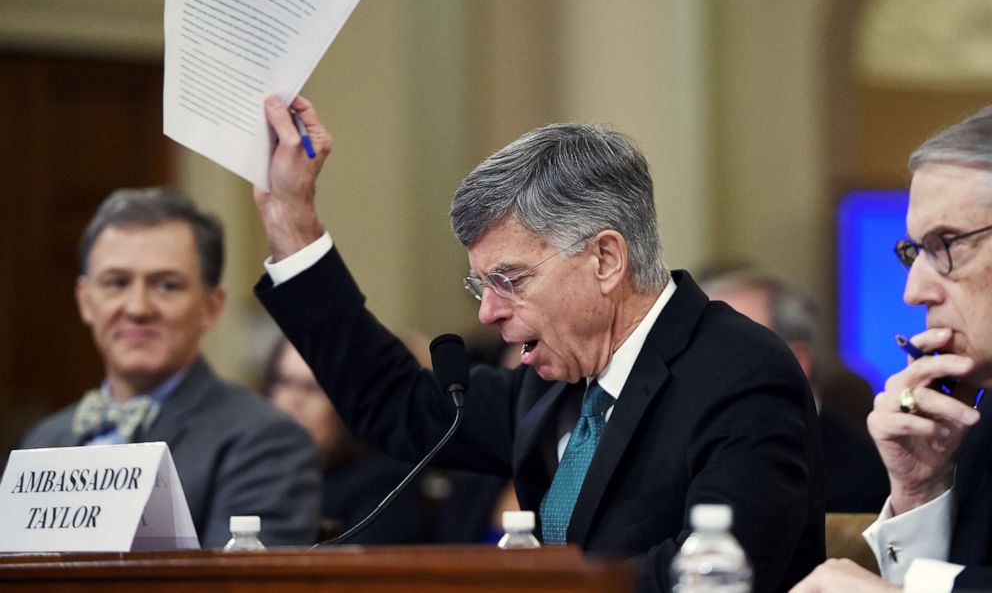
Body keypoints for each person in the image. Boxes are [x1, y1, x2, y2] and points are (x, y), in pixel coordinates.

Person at [253, 96, 824, 592]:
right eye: (482, 285)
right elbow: (393, 401)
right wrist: (292, 222)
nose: (487, 312)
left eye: (510, 280)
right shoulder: (552, 386)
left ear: (605, 259)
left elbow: (714, 575)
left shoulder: (741, 373)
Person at [20, 187, 321, 548]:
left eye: (166, 285)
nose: (138, 307)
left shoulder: (265, 442)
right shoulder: (43, 443)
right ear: (85, 300)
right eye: (117, 283)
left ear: (211, 305)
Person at [793, 106, 992, 592]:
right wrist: (920, 487)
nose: (914, 290)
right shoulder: (974, 422)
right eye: (915, 252)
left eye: (947, 244)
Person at [701, 268, 888, 513]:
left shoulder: (859, 479)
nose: (703, 366)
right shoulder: (696, 439)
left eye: (728, 348)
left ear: (795, 361)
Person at [263, 337, 440, 543]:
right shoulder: (257, 469)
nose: (294, 400)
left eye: (313, 388)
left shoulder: (386, 484)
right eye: (284, 382)